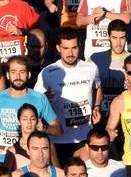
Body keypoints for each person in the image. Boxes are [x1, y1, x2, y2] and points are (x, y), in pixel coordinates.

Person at [36, 28, 102, 164]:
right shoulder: (48, 72)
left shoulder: (91, 68)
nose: (70, 53)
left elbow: (98, 88)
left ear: (80, 46)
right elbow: (36, 101)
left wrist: (96, 107)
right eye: (65, 48)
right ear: (58, 48)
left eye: (74, 48)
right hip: (58, 138)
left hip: (84, 136)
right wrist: (45, 98)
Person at [0, 55, 61, 161]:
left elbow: (58, 129)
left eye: (22, 72)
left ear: (29, 74)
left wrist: (44, 128)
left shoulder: (39, 98)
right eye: (13, 72)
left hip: (29, 159)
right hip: (0, 158)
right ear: (8, 75)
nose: (17, 76)